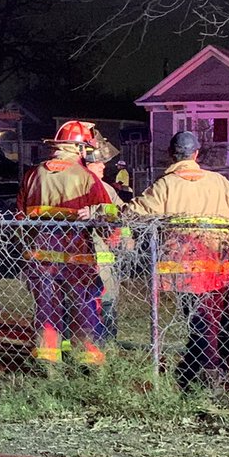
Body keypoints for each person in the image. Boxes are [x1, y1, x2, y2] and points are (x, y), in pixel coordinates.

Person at [123, 130, 229, 390]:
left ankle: (202, 374)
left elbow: (135, 213)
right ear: (195, 154)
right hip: (219, 267)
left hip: (184, 270)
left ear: (172, 155)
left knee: (200, 322)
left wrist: (106, 210)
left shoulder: (165, 185)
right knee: (209, 321)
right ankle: (194, 374)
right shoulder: (219, 182)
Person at [17, 120, 114, 371]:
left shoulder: (33, 175)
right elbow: (107, 216)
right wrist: (116, 239)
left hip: (41, 252)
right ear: (80, 149)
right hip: (75, 252)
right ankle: (89, 363)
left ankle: (48, 363)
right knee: (84, 306)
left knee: (46, 307)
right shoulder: (86, 177)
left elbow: (19, 218)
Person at [84, 136, 130, 343]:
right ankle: (100, 343)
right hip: (93, 258)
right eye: (97, 161)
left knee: (105, 300)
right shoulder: (94, 187)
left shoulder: (106, 188)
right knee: (102, 300)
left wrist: (127, 240)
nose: (103, 165)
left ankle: (105, 343)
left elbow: (121, 214)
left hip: (100, 256)